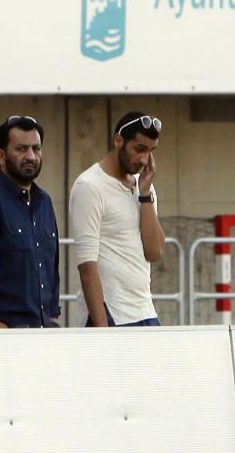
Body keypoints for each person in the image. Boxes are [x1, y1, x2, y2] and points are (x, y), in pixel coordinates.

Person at [0, 116, 60, 328]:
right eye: (21, 149)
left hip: (42, 331)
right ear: (1, 155)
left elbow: (51, 265)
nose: (31, 156)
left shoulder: (45, 201)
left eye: (36, 148)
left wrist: (52, 315)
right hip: (2, 333)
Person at [70, 112, 165, 327]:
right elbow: (87, 266)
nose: (144, 159)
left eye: (150, 151)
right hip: (110, 313)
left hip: (144, 310)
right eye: (139, 149)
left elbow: (155, 251)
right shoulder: (90, 185)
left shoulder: (144, 187)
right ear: (118, 141)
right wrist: (104, 333)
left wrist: (145, 194)